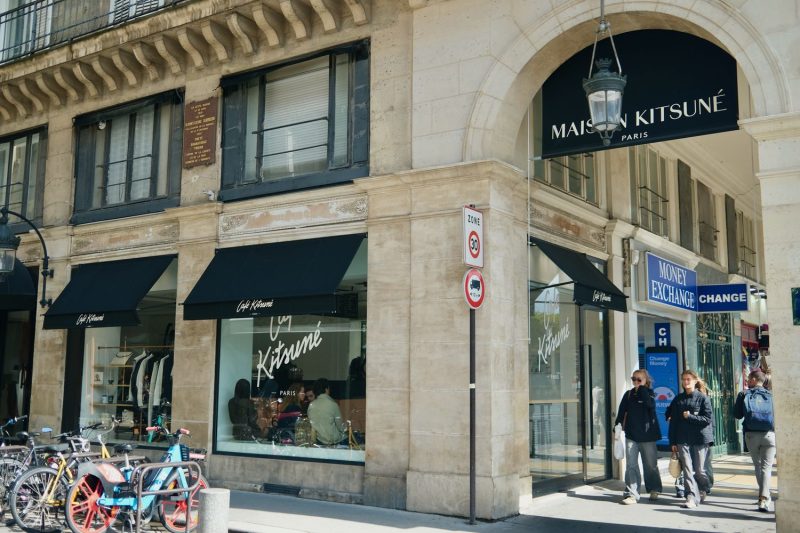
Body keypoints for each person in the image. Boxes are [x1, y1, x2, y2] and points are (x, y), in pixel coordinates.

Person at [666, 369, 714, 509]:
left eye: (688, 379)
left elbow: (707, 419)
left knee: (699, 470)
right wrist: (672, 442)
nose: (686, 382)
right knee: (687, 469)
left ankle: (704, 487)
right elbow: (673, 421)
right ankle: (691, 497)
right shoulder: (678, 399)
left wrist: (690, 416)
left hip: (700, 438)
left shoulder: (703, 398)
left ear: (695, 381)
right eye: (684, 379)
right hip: (682, 438)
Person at [615, 369, 662, 504]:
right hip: (631, 435)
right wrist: (617, 426)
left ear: (646, 381)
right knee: (631, 465)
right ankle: (632, 493)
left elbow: (650, 405)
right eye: (633, 379)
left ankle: (654, 488)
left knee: (651, 465)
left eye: (639, 379)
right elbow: (621, 412)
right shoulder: (628, 395)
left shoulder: (650, 394)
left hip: (648, 435)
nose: (635, 382)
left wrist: (642, 389)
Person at [734, 370, 776, 512]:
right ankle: (764, 497)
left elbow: (737, 415)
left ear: (753, 379)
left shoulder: (744, 394)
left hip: (751, 435)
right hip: (770, 434)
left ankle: (764, 497)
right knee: (767, 467)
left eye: (748, 379)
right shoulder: (771, 394)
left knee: (758, 466)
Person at [307, 378, 347, 445]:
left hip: (318, 441)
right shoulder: (333, 404)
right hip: (333, 440)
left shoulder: (311, 405)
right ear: (326, 389)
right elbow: (340, 426)